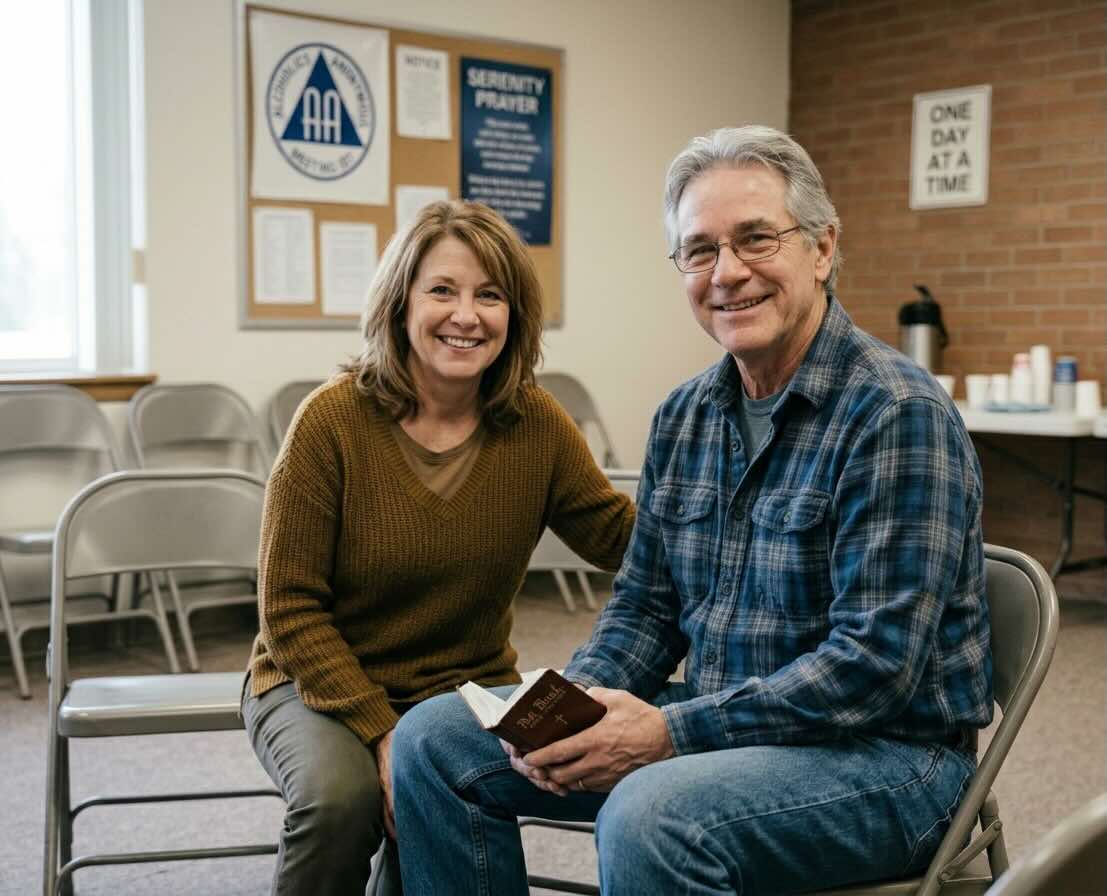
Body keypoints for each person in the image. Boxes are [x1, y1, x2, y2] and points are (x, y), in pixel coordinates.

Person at [390, 126, 992, 895]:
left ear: (822, 247)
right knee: (434, 741)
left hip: (888, 761)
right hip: (720, 723)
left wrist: (671, 733)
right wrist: (571, 710)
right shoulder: (686, 414)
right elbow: (646, 606)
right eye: (699, 250)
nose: (727, 273)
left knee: (651, 813)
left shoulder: (895, 413)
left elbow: (872, 670)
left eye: (754, 239)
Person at [241, 199, 635, 896]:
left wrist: (724, 503)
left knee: (443, 812)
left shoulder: (534, 421)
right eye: (442, 290)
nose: (467, 315)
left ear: (514, 315)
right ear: (400, 304)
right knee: (343, 801)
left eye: (490, 295)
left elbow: (616, 536)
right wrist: (380, 734)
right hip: (317, 684)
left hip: (463, 687)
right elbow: (289, 610)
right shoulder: (330, 420)